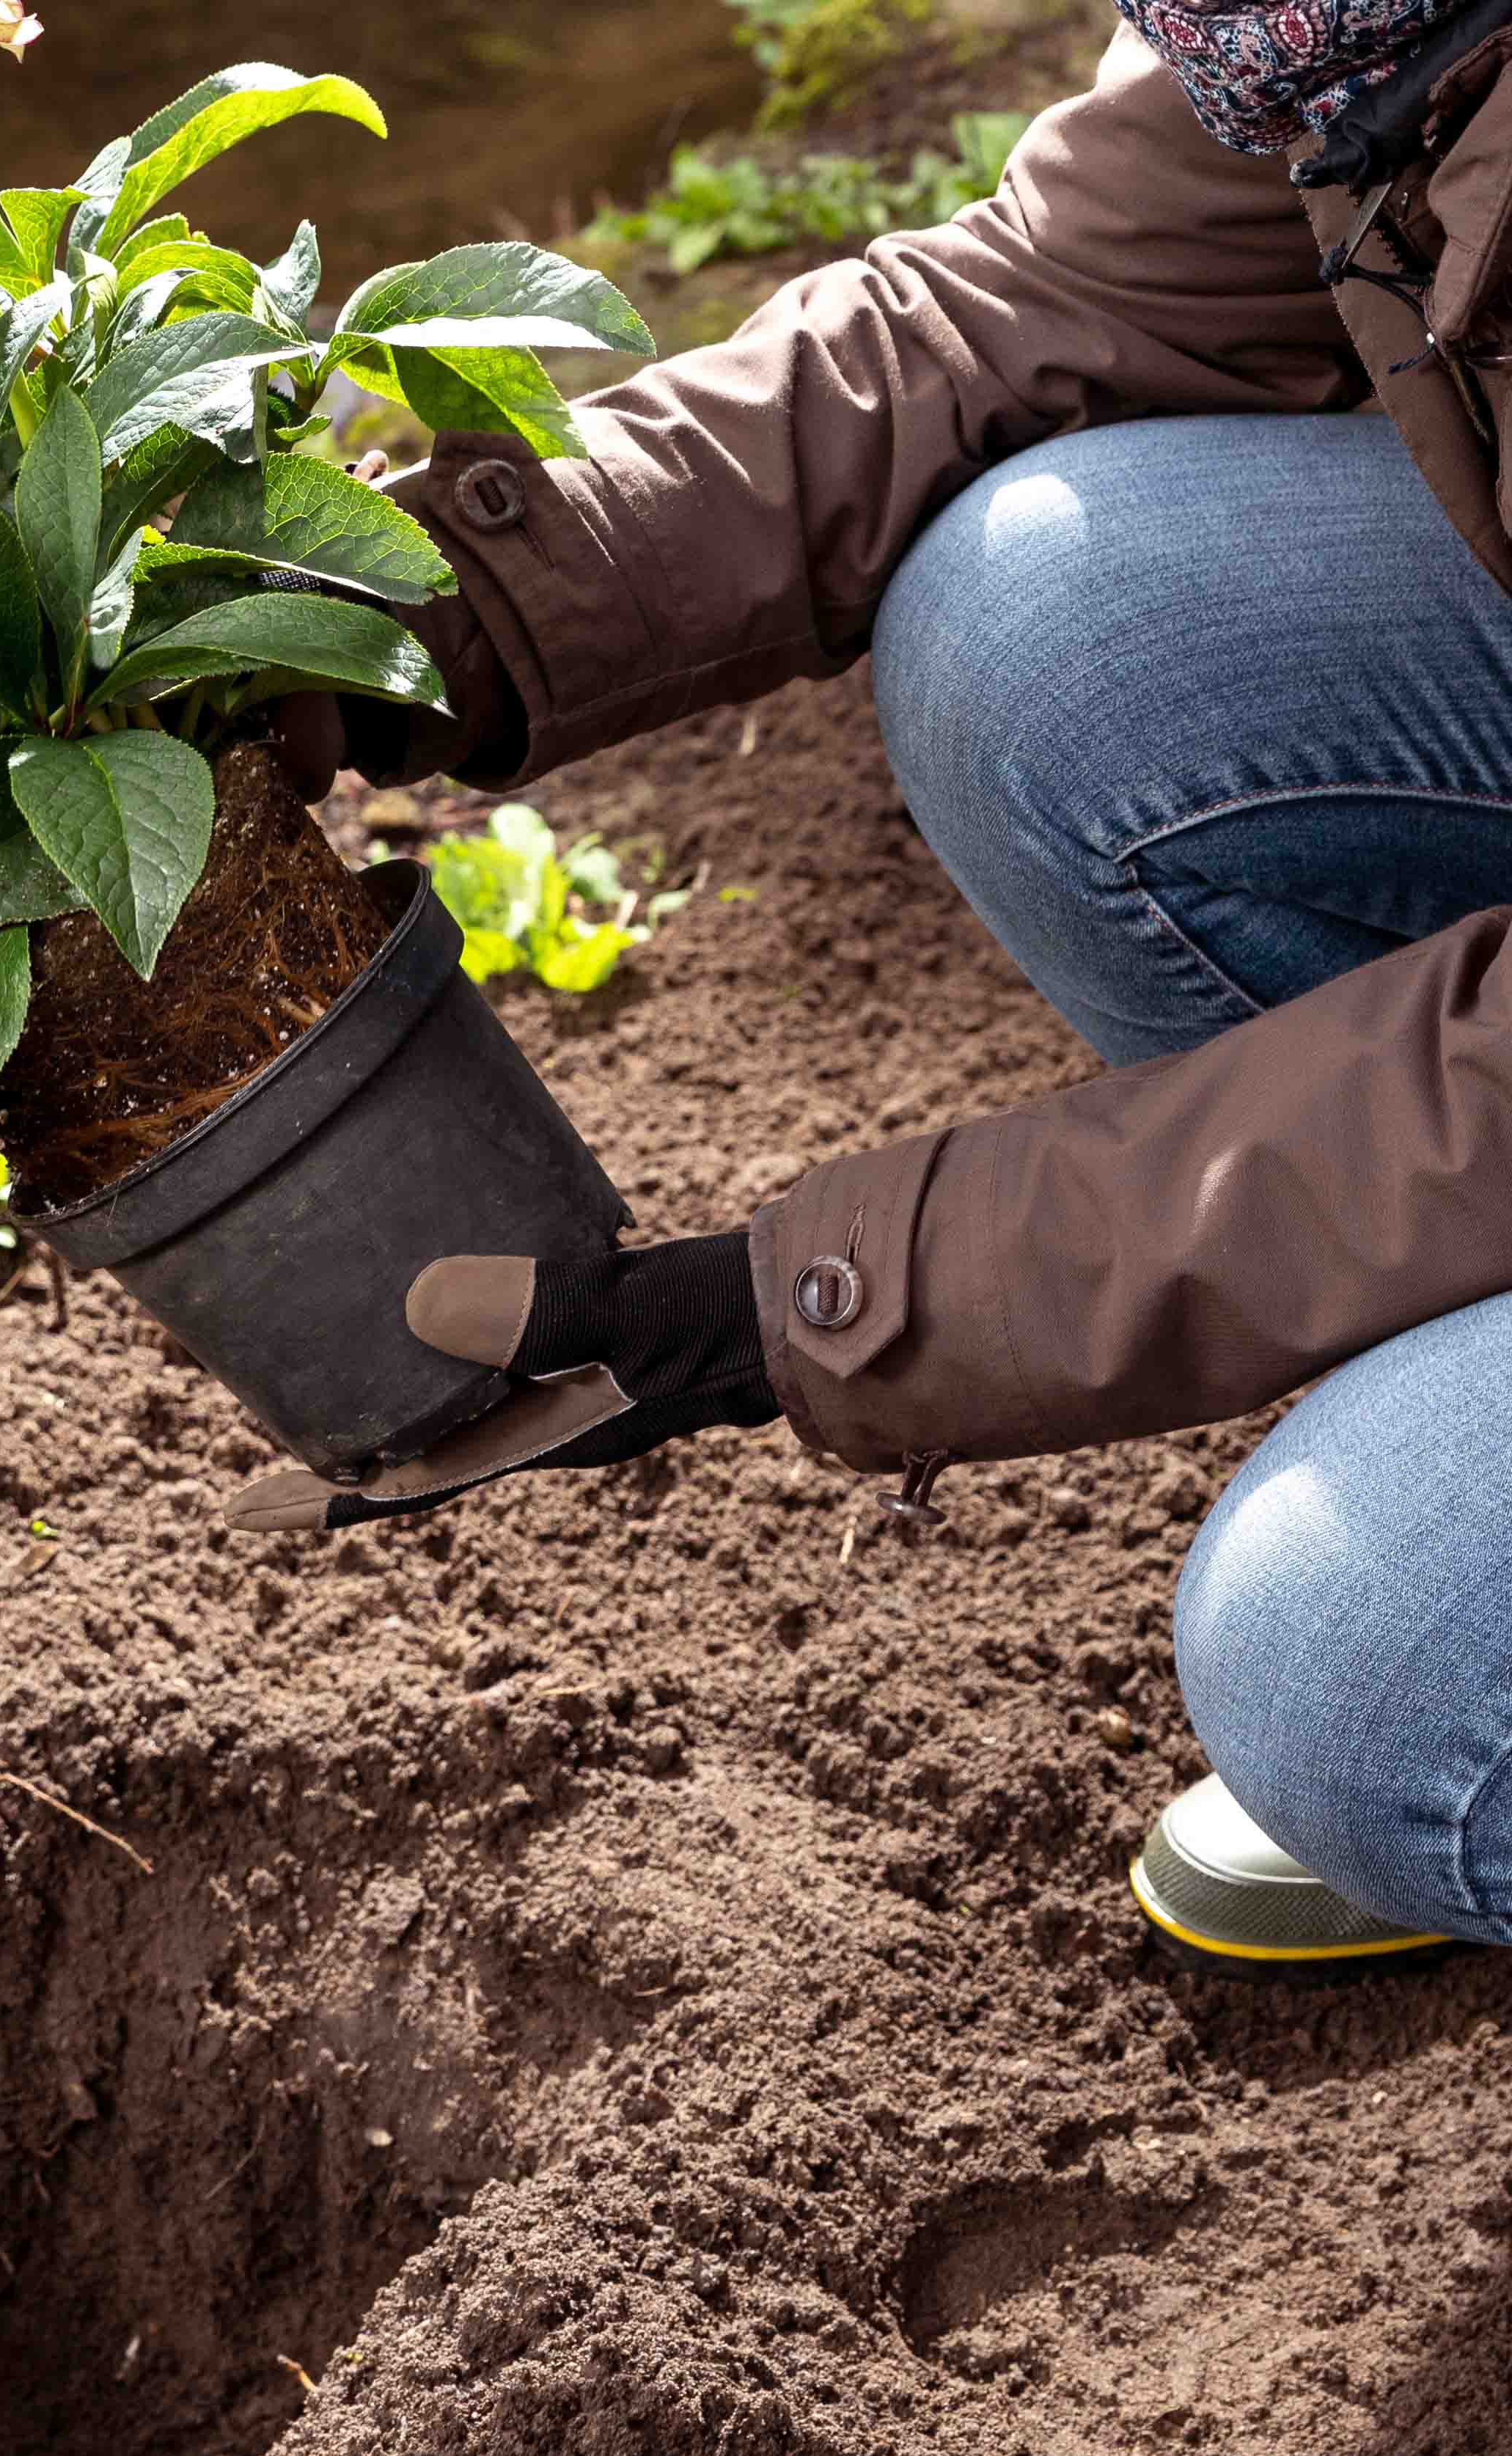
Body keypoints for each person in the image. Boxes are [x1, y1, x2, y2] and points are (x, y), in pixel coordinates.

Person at [238, 0, 1512, 1982]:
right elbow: (1015, 312)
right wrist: (388, 624)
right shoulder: (1344, 28)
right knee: (1054, 633)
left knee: (1363, 1674)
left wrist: (835, 1301)